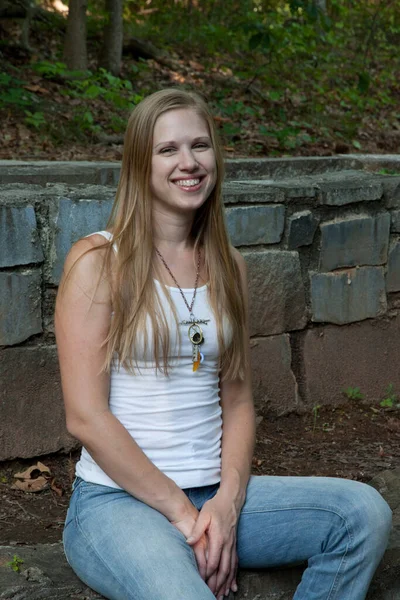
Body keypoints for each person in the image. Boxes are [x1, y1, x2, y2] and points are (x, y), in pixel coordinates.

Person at [55, 88, 392, 600]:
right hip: (115, 503)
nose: (188, 163)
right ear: (138, 163)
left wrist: (227, 506)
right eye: (168, 150)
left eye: (200, 145)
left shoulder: (227, 264)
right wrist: (186, 516)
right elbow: (85, 416)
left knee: (362, 514)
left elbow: (236, 401)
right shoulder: (99, 261)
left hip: (214, 494)